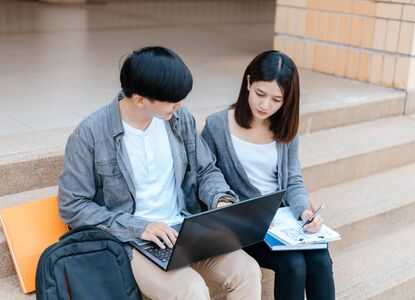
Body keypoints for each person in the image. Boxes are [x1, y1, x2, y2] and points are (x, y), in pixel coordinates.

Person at [58, 46, 262, 300]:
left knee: (248, 271)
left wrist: (221, 199)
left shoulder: (179, 119)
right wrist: (139, 227)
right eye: (173, 100)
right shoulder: (89, 135)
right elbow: (73, 205)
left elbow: (205, 169)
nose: (181, 105)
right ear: (140, 99)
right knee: (191, 289)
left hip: (185, 228)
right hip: (133, 242)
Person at [201, 50, 335, 300]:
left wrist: (305, 212)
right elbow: (206, 176)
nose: (265, 105)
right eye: (260, 94)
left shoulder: (286, 129)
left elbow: (293, 180)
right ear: (249, 82)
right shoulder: (217, 126)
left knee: (319, 260)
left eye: (276, 99)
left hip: (283, 219)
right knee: (293, 265)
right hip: (245, 223)